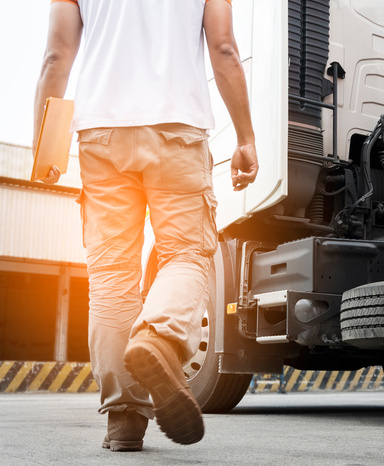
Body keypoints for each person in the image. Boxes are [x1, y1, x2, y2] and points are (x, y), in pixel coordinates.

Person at [33, 0, 259, 451]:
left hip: (101, 135)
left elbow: (56, 56)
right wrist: (246, 138)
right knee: (186, 253)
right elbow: (225, 48)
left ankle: (124, 419)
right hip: (177, 130)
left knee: (111, 277)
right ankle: (160, 336)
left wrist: (46, 144)